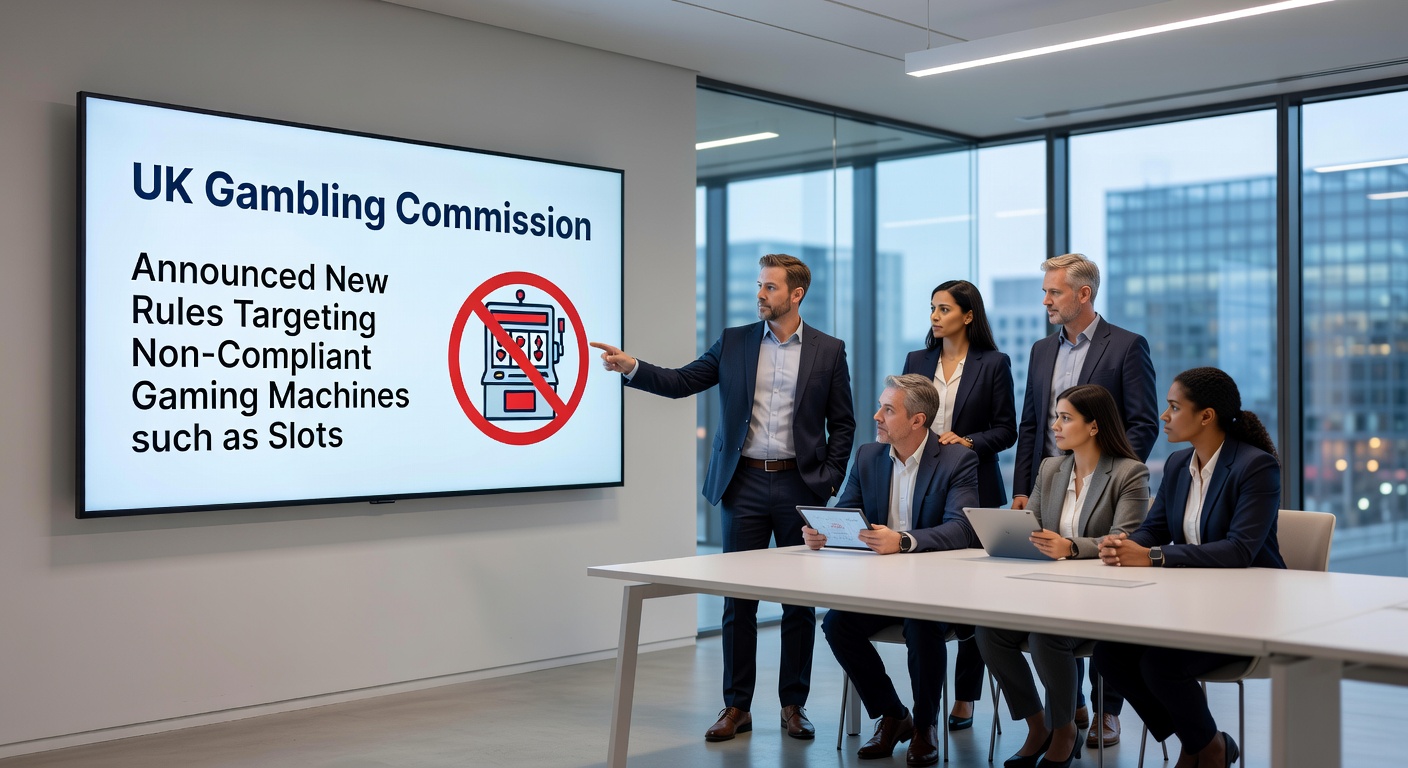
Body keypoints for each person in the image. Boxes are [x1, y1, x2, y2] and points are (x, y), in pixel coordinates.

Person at [590, 253, 855, 743]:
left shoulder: (829, 350)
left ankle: (793, 705)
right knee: (739, 599)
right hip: (745, 483)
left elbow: (843, 424)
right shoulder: (733, 342)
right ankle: (736, 706)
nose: (760, 294)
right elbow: (682, 381)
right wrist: (632, 367)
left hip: (801, 485)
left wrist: (830, 480)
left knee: (799, 603)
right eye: (759, 285)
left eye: (770, 287)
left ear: (796, 295)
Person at [1093, 367, 1284, 768]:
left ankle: (1202, 747)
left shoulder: (1256, 467)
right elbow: (1155, 529)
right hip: (1190, 608)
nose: (1164, 416)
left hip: (1248, 612)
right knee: (1109, 655)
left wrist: (1154, 557)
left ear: (1206, 416)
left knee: (1160, 666)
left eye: (1174, 407)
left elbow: (1239, 551)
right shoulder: (1180, 465)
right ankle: (1205, 742)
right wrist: (1124, 545)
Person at [1011, 252, 1159, 746]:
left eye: (1054, 292)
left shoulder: (1127, 346)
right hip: (1050, 492)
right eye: (1046, 291)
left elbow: (1142, 421)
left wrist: (1111, 475)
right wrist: (1022, 492)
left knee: (1103, 600)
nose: (1046, 300)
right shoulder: (1038, 350)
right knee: (1046, 604)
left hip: (1105, 489)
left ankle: (1107, 711)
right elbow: (1031, 426)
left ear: (1084, 294)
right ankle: (1066, 704)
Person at [804, 373, 979, 766]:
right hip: (881, 589)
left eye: (887, 409)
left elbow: (963, 527)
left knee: (921, 622)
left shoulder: (957, 459)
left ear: (917, 421)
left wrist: (903, 540)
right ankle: (893, 714)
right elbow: (849, 513)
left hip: (936, 590)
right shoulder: (868, 456)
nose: (876, 416)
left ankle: (924, 725)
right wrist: (824, 532)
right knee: (836, 624)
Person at [974, 384, 1150, 768]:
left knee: (1046, 636)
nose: (1055, 425)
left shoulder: (1129, 473)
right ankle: (1038, 725)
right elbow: (1031, 526)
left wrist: (1071, 547)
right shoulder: (1051, 468)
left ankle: (1065, 729)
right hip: (1048, 594)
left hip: (1104, 600)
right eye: (1056, 416)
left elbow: (1127, 539)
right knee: (988, 631)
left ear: (1093, 426)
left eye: (1065, 417)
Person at [901, 279, 1016, 732]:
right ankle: (926, 697)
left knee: (973, 599)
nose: (934, 315)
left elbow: (1006, 428)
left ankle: (965, 697)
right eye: (932, 307)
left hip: (975, 485)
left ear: (968, 316)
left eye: (944, 309)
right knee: (927, 590)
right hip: (924, 486)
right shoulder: (917, 361)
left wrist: (967, 441)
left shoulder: (994, 364)